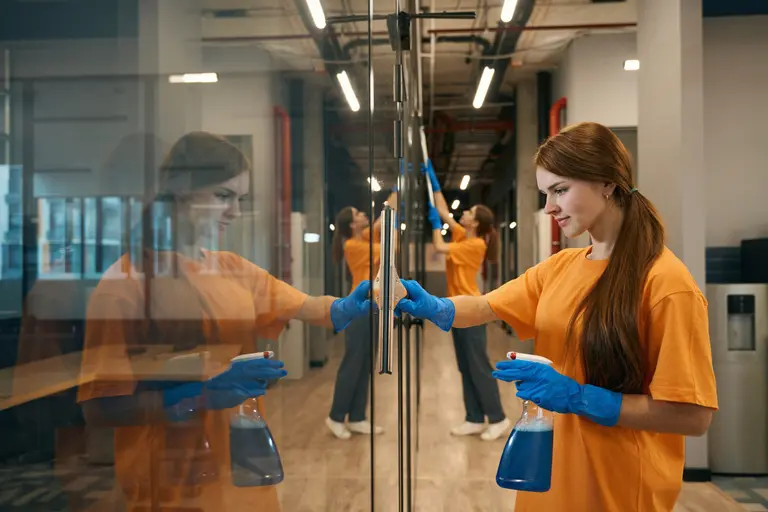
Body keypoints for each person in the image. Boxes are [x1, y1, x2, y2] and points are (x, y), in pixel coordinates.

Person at [397, 122, 718, 512]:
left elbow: (693, 416)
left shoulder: (666, 284)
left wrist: (579, 397)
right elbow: (485, 306)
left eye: (560, 190)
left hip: (615, 492)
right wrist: (437, 306)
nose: (549, 207)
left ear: (607, 183)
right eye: (546, 193)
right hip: (548, 482)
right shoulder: (560, 267)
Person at [77, 131, 372, 511]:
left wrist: (352, 304)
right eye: (223, 196)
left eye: (240, 199)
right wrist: (192, 396)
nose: (235, 211)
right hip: (171, 482)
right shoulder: (126, 285)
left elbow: (307, 305)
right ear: (181, 190)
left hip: (238, 467)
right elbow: (100, 407)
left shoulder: (231, 269)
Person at [421, 160, 509, 441]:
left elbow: (438, 245)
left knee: (478, 364)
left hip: (471, 309)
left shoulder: (474, 245)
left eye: (469, 212)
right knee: (464, 365)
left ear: (477, 222)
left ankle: (498, 418)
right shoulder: (463, 235)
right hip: (457, 310)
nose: (465, 213)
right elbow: (446, 210)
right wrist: (433, 182)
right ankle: (474, 417)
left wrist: (435, 223)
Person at [326, 184, 397, 439]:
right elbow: (388, 246)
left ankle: (357, 416)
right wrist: (388, 216)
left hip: (373, 307)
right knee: (353, 362)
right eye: (358, 214)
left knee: (366, 363)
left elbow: (382, 218)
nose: (363, 216)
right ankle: (336, 416)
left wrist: (397, 189)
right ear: (351, 225)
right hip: (358, 310)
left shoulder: (365, 238)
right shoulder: (353, 246)